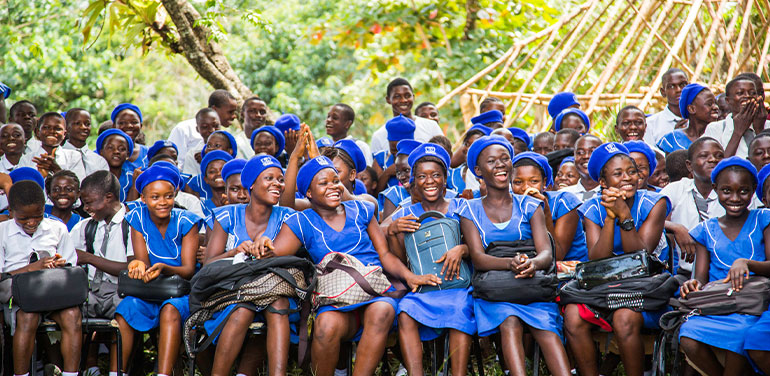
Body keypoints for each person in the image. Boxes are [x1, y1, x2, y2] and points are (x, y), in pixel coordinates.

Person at [254, 155, 438, 376]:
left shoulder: (361, 210)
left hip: (373, 291)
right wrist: (261, 242)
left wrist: (410, 277)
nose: (333, 187)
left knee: (382, 310)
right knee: (325, 325)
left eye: (335, 180)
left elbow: (385, 254)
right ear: (309, 194)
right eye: (323, 183)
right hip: (337, 297)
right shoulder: (302, 222)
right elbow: (271, 254)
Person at [457, 135, 570, 376]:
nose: (499, 165)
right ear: (478, 170)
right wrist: (511, 263)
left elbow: (546, 253)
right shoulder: (468, 209)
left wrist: (532, 263)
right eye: (491, 161)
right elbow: (478, 257)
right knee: (508, 320)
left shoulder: (530, 205)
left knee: (546, 326)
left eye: (505, 159)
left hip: (530, 287)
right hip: (497, 293)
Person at [567, 142, 671, 376]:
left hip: (645, 288)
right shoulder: (592, 208)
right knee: (573, 315)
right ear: (603, 183)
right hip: (606, 287)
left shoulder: (655, 203)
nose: (628, 178)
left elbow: (640, 256)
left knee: (624, 316)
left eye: (632, 172)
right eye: (618, 174)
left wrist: (625, 215)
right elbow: (597, 257)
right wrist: (609, 218)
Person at [202, 155, 297, 376]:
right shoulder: (227, 214)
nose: (278, 184)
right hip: (232, 291)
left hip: (271, 289)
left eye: (280, 180)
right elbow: (208, 264)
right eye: (269, 178)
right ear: (252, 184)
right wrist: (236, 250)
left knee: (280, 302)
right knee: (243, 308)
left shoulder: (288, 217)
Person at [386, 143, 474, 376]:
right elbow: (400, 260)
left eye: (436, 175)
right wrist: (394, 231)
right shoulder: (406, 212)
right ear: (413, 180)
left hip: (457, 286)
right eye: (422, 176)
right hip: (423, 288)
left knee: (460, 310)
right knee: (404, 311)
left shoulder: (461, 206)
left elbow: (480, 246)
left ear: (446, 179)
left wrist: (462, 249)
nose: (430, 181)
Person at [678, 157, 770, 376]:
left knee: (741, 334)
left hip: (752, 305)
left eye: (744, 191)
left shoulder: (763, 219)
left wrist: (747, 263)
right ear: (715, 189)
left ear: (753, 190)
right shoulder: (705, 230)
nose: (735, 198)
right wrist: (693, 284)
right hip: (718, 303)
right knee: (688, 335)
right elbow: (700, 278)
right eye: (726, 191)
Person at [112, 164, 202, 376]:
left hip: (181, 292)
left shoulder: (187, 221)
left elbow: (188, 270)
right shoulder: (136, 218)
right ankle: (117, 372)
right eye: (155, 197)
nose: (163, 202)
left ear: (174, 195)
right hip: (150, 289)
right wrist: (138, 266)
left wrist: (165, 268)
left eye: (168, 196)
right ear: (143, 198)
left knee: (170, 309)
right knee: (127, 308)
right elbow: (142, 260)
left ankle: (163, 374)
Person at [0, 180, 82, 376]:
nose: (31, 222)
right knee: (27, 316)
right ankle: (21, 374)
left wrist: (61, 265)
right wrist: (32, 268)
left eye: (37, 216)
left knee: (72, 315)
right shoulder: (2, 231)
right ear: (11, 211)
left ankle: (71, 373)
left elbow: (72, 265)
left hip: (53, 291)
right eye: (23, 218)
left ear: (44, 208)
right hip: (19, 294)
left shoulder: (57, 228)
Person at [70, 170, 134, 376]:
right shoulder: (84, 227)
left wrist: (89, 258)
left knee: (125, 312)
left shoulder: (132, 224)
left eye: (89, 203)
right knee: (69, 310)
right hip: (90, 290)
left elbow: (131, 267)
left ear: (109, 197)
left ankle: (117, 370)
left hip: (121, 289)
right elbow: (70, 258)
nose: (86, 208)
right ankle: (86, 367)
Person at [661, 137, 724, 276]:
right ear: (689, 165)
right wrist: (675, 227)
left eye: (719, 156)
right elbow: (648, 216)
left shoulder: (733, 193)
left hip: (724, 273)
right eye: (704, 156)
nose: (713, 159)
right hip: (687, 274)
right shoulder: (677, 189)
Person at [511, 152, 587, 262]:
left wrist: (545, 211)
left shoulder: (564, 202)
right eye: (518, 182)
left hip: (568, 271)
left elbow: (557, 254)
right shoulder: (510, 206)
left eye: (534, 181)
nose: (525, 187)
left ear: (544, 182)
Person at [168, 90, 239, 169]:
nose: (234, 116)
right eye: (230, 112)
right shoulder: (184, 129)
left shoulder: (226, 137)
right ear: (214, 109)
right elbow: (175, 163)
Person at [370, 78, 444, 154]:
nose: (403, 100)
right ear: (388, 99)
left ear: (413, 97)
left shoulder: (431, 126)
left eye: (407, 95)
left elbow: (444, 156)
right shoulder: (379, 135)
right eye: (397, 96)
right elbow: (377, 164)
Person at [704, 76, 770, 158]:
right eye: (740, 93)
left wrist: (759, 130)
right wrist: (738, 132)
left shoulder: (767, 125)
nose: (747, 96)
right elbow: (719, 166)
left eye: (752, 93)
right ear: (728, 101)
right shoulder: (716, 129)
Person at [19, 112, 85, 181]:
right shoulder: (26, 159)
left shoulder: (73, 157)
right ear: (38, 132)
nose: (52, 131)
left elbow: (79, 184)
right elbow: (22, 186)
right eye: (46, 127)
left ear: (64, 134)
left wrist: (56, 169)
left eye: (58, 129)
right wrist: (40, 177)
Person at [657, 83, 719, 153]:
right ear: (691, 109)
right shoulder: (672, 140)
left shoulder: (720, 135)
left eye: (716, 103)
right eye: (709, 104)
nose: (716, 107)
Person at [644, 68, 689, 145]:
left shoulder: (700, 119)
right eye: (671, 86)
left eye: (682, 85)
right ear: (663, 92)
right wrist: (674, 138)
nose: (678, 90)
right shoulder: (650, 125)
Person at [326, 139, 377, 206]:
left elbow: (350, 200)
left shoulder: (367, 202)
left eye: (336, 172)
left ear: (352, 175)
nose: (328, 177)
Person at [373, 114, 417, 191]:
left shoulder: (420, 156)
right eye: (393, 149)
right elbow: (374, 193)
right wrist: (387, 173)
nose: (398, 154)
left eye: (402, 150)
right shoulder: (381, 158)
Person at [62, 108, 109, 176]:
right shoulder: (59, 156)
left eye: (87, 124)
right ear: (67, 127)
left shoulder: (99, 161)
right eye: (78, 123)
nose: (84, 127)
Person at [560, 134, 602, 201]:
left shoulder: (612, 195)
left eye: (592, 152)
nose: (586, 156)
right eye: (580, 152)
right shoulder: (562, 195)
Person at [181, 108, 222, 175]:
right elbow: (191, 182)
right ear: (197, 129)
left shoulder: (231, 146)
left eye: (216, 125)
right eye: (205, 127)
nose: (211, 130)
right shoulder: (193, 155)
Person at [111, 103, 149, 171]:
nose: (129, 126)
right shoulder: (101, 155)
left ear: (141, 125)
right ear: (114, 126)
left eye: (134, 122)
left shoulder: (149, 154)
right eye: (122, 123)